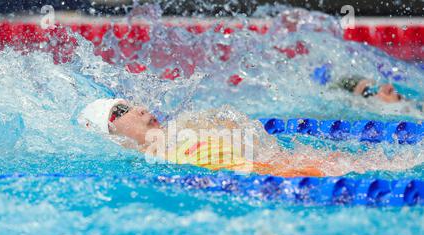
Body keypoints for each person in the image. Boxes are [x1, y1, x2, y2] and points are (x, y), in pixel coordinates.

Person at [78, 99, 423, 177]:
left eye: (129, 102)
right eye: (119, 113)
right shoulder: (164, 159)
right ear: (112, 138)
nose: (137, 109)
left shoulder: (186, 130)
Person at [334, 76, 423, 117]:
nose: (386, 86)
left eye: (377, 85)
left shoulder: (413, 105)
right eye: (369, 91)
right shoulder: (388, 113)